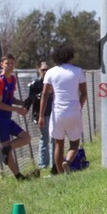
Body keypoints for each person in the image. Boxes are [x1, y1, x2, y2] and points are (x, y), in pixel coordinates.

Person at [39, 44, 87, 176]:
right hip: (73, 110)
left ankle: (60, 174)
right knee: (74, 144)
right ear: (70, 56)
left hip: (57, 112)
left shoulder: (50, 72)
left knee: (58, 144)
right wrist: (79, 106)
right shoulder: (78, 71)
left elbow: (45, 94)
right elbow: (84, 93)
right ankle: (68, 161)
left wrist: (41, 116)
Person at [0, 54, 31, 180]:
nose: (10, 65)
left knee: (26, 138)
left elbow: (10, 98)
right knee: (5, 146)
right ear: (1, 64)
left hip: (7, 117)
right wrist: (17, 109)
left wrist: (22, 103)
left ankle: (7, 148)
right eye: (7, 63)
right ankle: (19, 177)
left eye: (12, 63)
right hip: (0, 118)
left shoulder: (13, 79)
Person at [25, 61, 55, 171]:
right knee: (44, 137)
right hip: (42, 115)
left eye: (47, 69)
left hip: (54, 113)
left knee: (54, 138)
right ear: (39, 70)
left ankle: (54, 162)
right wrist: (26, 108)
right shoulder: (35, 84)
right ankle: (43, 164)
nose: (45, 71)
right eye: (43, 70)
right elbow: (30, 99)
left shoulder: (54, 82)